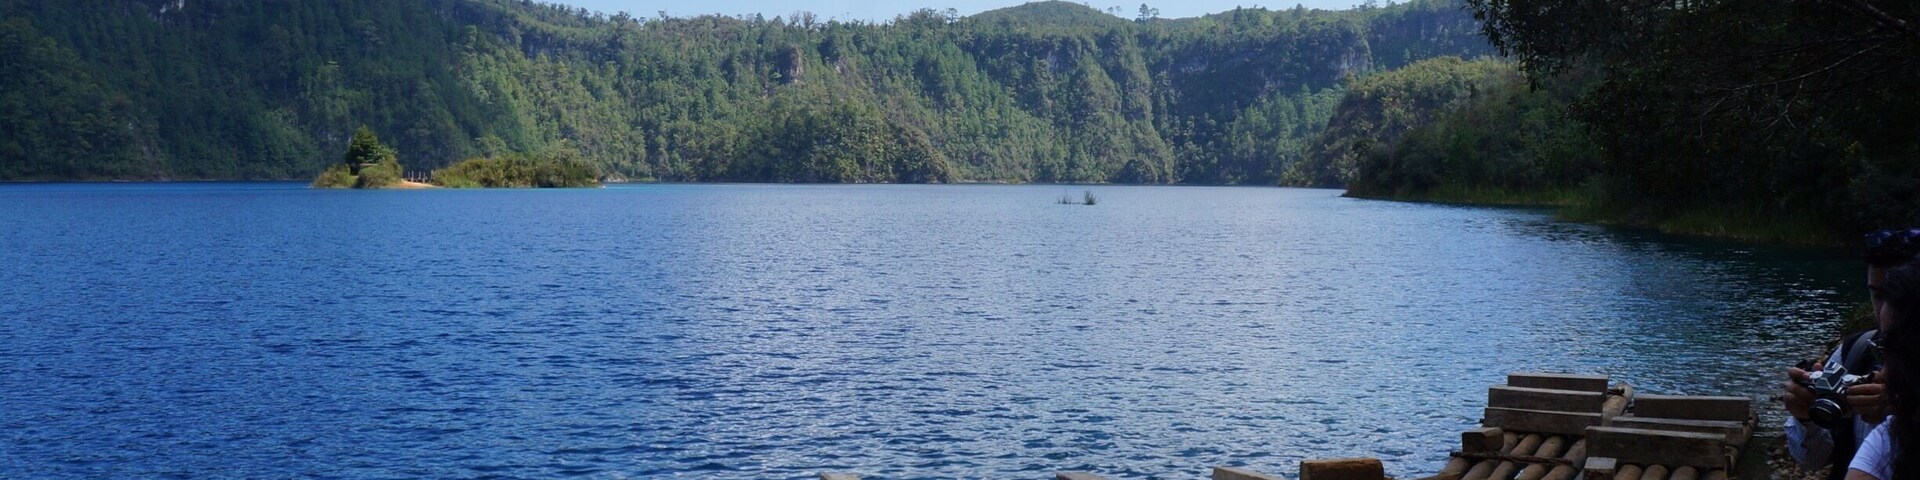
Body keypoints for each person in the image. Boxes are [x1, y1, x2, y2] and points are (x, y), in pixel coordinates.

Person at [1785, 228, 1920, 479]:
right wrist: (1806, 417)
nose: (1883, 310)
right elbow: (1813, 461)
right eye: (1876, 295)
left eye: (1896, 297)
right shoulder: (1853, 353)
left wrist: (1906, 410)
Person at [1847, 262, 1920, 479]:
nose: (1883, 374)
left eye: (1900, 351)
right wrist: (1806, 420)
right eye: (1884, 350)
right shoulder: (1892, 436)